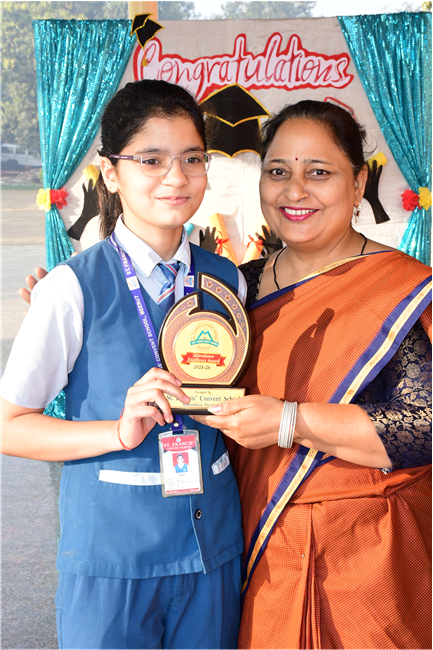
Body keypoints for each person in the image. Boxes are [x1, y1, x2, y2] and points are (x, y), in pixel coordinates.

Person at [0, 79, 246, 650]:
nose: (176, 177)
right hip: (112, 559)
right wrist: (116, 430)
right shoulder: (70, 288)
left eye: (192, 158)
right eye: (151, 160)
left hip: (212, 554)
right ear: (111, 173)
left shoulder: (228, 280)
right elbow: (9, 426)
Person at [192, 101, 432, 650]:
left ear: (358, 182)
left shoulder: (398, 288)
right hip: (258, 549)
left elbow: (424, 426)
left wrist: (288, 421)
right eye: (278, 171)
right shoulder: (236, 288)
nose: (294, 190)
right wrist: (79, 314)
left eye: (318, 172)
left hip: (367, 562)